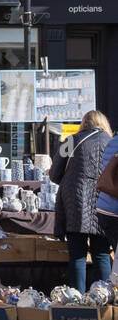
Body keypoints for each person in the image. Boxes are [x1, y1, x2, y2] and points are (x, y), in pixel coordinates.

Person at [50, 110, 113, 291]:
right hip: (104, 202)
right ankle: (105, 299)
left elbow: (54, 174)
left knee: (77, 255)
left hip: (74, 203)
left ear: (84, 123)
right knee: (101, 253)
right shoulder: (111, 143)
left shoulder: (71, 140)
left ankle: (76, 300)